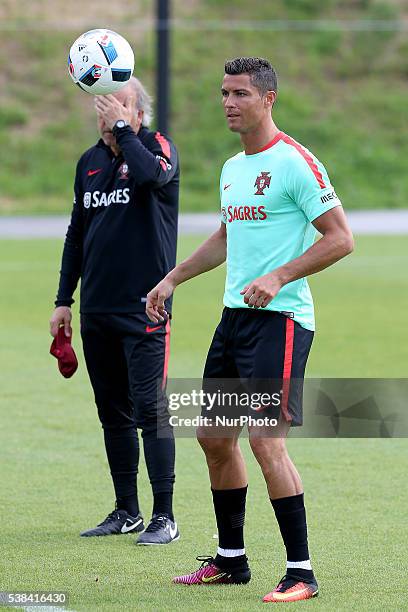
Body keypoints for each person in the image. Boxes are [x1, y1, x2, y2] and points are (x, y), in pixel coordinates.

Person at [146, 58, 353, 600]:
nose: (228, 103)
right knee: (213, 437)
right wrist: (171, 279)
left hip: (281, 323)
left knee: (266, 443)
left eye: (239, 93)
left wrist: (280, 276)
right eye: (223, 93)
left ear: (268, 99)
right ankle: (231, 560)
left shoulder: (296, 162)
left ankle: (301, 573)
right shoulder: (232, 168)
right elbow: (225, 237)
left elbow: (340, 238)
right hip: (234, 320)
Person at [50, 76, 180, 545]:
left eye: (116, 106)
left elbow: (150, 176)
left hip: (146, 309)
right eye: (101, 107)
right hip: (97, 311)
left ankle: (165, 515)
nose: (105, 114)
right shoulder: (89, 162)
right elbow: (76, 235)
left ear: (137, 112)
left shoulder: (156, 147)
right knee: (113, 414)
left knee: (151, 410)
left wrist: (125, 132)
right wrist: (64, 300)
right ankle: (127, 510)